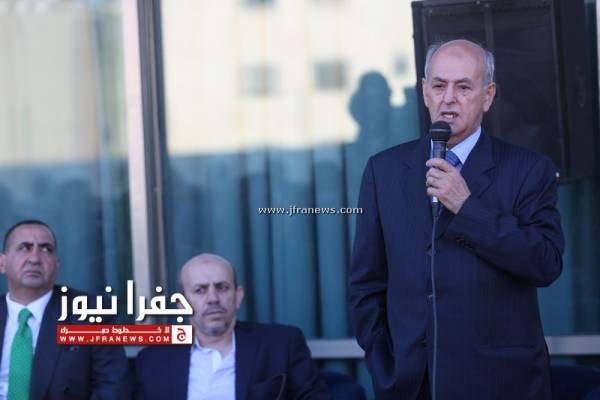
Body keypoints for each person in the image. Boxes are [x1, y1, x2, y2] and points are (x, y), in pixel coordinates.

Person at [348, 39, 564, 400]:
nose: (449, 98)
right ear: (424, 92)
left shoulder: (528, 169)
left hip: (500, 384)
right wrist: (386, 366)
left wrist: (467, 207)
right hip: (411, 384)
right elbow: (366, 285)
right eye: (439, 85)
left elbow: (545, 264)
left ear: (488, 95)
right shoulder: (384, 170)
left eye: (463, 87)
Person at [135, 253, 331, 400]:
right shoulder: (153, 360)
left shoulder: (281, 344)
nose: (213, 298)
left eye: (222, 287)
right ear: (181, 304)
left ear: (238, 296)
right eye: (200, 290)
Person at [0, 219, 129, 399]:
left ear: (56, 264)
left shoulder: (90, 313)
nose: (35, 258)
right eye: (24, 248)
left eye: (46, 249)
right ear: (2, 263)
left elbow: (112, 388)